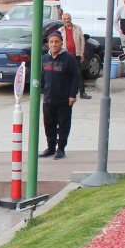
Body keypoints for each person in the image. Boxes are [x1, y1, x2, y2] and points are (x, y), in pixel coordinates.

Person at [39, 30, 81, 160]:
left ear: (61, 43)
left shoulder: (69, 58)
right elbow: (40, 77)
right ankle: (50, 147)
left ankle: (61, 148)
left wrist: (73, 95)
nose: (54, 44)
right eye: (51, 42)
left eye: (56, 42)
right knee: (49, 124)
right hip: (48, 99)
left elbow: (75, 77)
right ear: (48, 44)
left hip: (64, 99)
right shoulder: (44, 59)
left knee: (63, 125)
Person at [59, 11, 91, 99]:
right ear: (62, 21)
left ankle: (82, 92)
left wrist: (82, 53)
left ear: (71, 19)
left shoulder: (77, 28)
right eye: (64, 19)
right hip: (65, 55)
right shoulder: (60, 31)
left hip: (75, 54)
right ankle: (65, 92)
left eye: (68, 18)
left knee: (78, 74)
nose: (67, 20)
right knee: (64, 74)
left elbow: (82, 41)